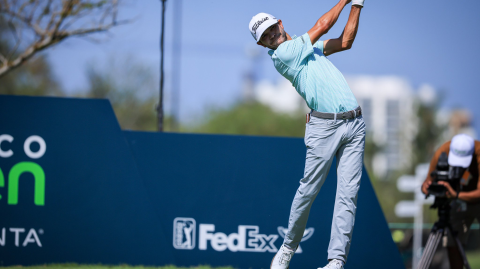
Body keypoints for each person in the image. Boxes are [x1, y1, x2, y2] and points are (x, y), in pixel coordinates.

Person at [249, 1, 365, 268]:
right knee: (308, 191)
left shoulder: (308, 47)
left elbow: (345, 41)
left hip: (355, 123)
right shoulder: (284, 54)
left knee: (348, 195)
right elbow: (323, 25)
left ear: (280, 23)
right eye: (264, 37)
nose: (270, 36)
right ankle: (288, 247)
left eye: (271, 29)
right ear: (262, 45)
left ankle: (336, 261)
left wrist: (357, 6)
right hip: (324, 128)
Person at [421, 134, 480, 269]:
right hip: (456, 201)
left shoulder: (479, 152)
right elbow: (428, 180)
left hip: (473, 199)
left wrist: (456, 194)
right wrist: (426, 187)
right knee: (451, 243)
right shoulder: (442, 151)